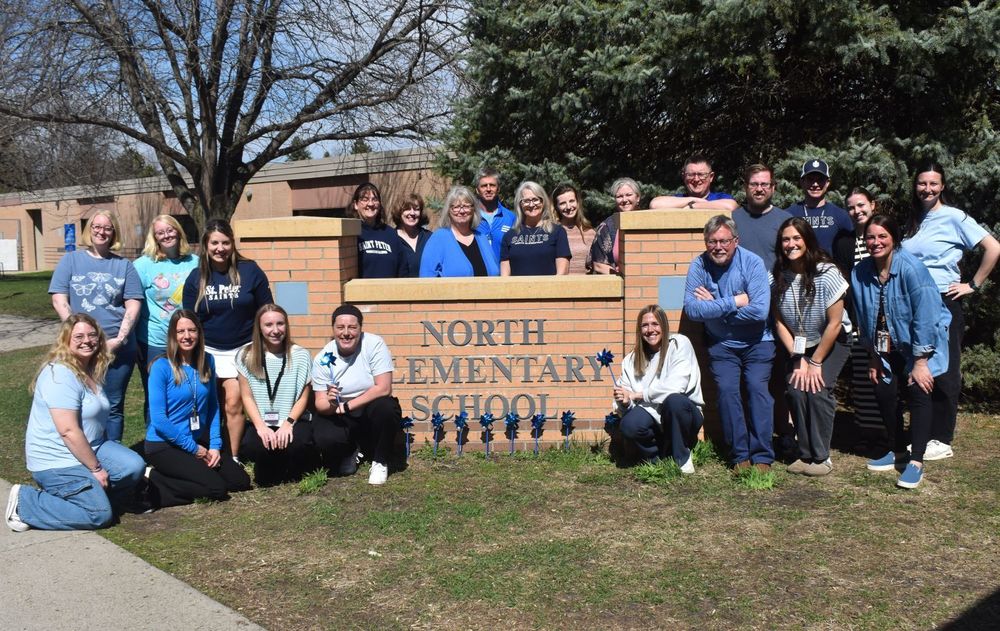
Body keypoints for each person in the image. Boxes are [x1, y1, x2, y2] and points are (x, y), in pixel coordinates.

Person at [6, 314, 146, 532]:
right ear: (66, 340)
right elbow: (68, 430)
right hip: (56, 459)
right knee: (98, 515)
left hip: (92, 447)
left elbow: (96, 419)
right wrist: (96, 468)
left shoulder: (90, 369)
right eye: (78, 336)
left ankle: (92, 496)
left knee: (133, 467)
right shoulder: (60, 374)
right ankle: (26, 503)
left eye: (92, 335)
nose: (87, 340)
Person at [900, 162, 1000, 459]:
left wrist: (973, 284)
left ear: (942, 186)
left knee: (945, 367)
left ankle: (942, 439)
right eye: (922, 183)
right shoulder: (913, 219)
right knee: (918, 364)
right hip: (913, 303)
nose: (927, 189)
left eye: (933, 183)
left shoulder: (954, 217)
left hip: (943, 300)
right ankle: (923, 432)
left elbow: (993, 247)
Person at [852, 215, 951, 489]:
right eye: (870, 237)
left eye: (882, 236)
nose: (876, 242)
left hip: (919, 344)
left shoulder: (911, 268)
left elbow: (927, 315)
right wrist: (873, 355)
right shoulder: (860, 272)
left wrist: (920, 362)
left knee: (919, 392)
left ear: (894, 238)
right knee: (884, 391)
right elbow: (863, 316)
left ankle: (916, 461)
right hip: (885, 346)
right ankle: (896, 450)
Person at [683, 215, 775, 471]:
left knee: (758, 391)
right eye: (712, 241)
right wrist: (733, 302)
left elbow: (759, 312)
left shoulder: (753, 263)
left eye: (724, 241)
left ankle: (763, 456)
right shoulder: (699, 266)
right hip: (722, 345)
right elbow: (692, 310)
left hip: (759, 342)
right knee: (727, 393)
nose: (718, 247)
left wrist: (713, 306)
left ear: (736, 240)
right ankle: (740, 455)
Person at [183, 219, 273, 463]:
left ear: (232, 243)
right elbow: (189, 320)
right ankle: (204, 447)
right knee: (205, 401)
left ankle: (233, 456)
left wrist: (265, 343)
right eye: (214, 243)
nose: (220, 248)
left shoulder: (250, 270)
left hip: (244, 348)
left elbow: (267, 309)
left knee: (233, 400)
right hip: (209, 349)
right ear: (206, 245)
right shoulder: (196, 278)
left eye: (225, 242)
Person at [49, 210, 143, 442]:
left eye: (107, 228)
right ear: (89, 230)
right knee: (77, 404)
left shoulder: (124, 266)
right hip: (78, 349)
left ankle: (114, 459)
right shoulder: (70, 260)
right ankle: (84, 455)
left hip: (117, 349)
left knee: (112, 405)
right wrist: (78, 335)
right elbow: (59, 298)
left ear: (114, 233)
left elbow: (133, 305)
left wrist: (119, 340)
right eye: (96, 227)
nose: (101, 231)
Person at [144, 310, 251, 507]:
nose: (187, 336)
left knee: (240, 482)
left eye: (192, 330)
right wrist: (195, 450)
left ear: (199, 333)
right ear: (173, 336)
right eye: (181, 331)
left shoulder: (207, 361)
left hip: (196, 440)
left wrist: (215, 446)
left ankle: (191, 474)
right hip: (164, 444)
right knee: (216, 489)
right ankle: (155, 479)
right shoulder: (161, 366)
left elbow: (212, 407)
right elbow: (159, 420)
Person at [771, 218, 850, 476]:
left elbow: (835, 323)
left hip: (832, 340)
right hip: (799, 345)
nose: (791, 244)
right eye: (786, 239)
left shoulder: (827, 272)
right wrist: (797, 357)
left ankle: (822, 457)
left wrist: (815, 362)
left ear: (807, 240)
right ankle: (804, 454)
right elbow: (779, 322)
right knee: (795, 390)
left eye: (796, 238)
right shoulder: (778, 275)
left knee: (816, 389)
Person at [311, 304, 402, 486]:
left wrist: (347, 406)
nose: (346, 333)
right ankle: (350, 450)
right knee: (325, 437)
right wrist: (330, 402)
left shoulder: (374, 344)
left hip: (368, 407)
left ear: (360, 328)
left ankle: (379, 460)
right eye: (340, 327)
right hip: (339, 411)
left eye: (352, 327)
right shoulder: (323, 358)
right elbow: (320, 403)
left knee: (387, 408)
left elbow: (383, 388)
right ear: (333, 329)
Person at [613, 305, 704, 472]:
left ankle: (682, 458)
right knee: (629, 424)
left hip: (683, 411)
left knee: (674, 401)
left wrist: (637, 394)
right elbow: (625, 397)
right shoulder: (630, 360)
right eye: (645, 325)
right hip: (653, 415)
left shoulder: (679, 344)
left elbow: (677, 387)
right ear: (639, 330)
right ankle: (658, 459)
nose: (650, 330)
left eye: (655, 324)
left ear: (664, 325)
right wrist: (625, 402)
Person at [236, 304, 314, 485]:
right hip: (262, 421)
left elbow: (303, 396)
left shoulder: (301, 355)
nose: (275, 330)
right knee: (252, 447)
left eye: (280, 324)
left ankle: (291, 465)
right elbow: (246, 396)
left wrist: (288, 423)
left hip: (292, 420)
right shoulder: (245, 355)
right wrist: (260, 427)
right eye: (269, 325)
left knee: (298, 444)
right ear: (259, 328)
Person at [133, 214, 198, 425]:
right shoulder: (143, 265)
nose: (166, 235)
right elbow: (132, 301)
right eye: (160, 232)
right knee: (156, 396)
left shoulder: (195, 262)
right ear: (154, 237)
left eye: (170, 230)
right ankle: (157, 444)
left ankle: (189, 437)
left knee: (188, 392)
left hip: (188, 341)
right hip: (155, 342)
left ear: (178, 232)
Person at [833, 187, 882, 432]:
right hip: (857, 318)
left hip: (883, 318)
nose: (857, 211)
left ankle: (887, 432)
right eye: (851, 207)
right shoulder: (844, 242)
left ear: (872, 205)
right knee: (862, 377)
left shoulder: (884, 236)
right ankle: (867, 431)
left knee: (883, 374)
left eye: (861, 205)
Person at [419, 186, 500, 277]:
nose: (462, 211)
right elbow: (426, 277)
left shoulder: (481, 237)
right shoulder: (439, 238)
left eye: (466, 206)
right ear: (448, 211)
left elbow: (495, 272)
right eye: (456, 207)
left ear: (473, 210)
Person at [500, 181, 571, 276]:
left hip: (549, 289)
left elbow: (562, 273)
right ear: (520, 204)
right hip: (518, 290)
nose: (531, 204)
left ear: (543, 201)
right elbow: (505, 277)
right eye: (526, 201)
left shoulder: (557, 232)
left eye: (535, 199)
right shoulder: (509, 236)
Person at [731, 164, 791, 272]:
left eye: (764, 184)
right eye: (754, 184)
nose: (759, 189)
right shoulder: (732, 219)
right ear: (745, 187)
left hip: (776, 287)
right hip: (740, 288)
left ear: (772, 188)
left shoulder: (786, 220)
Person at [785, 159, 853, 255]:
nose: (815, 184)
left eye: (820, 180)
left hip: (830, 268)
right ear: (802, 182)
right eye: (810, 179)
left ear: (828, 182)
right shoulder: (788, 214)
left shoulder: (841, 215)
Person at [351, 182, 409, 278]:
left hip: (390, 291)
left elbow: (403, 270)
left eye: (375, 199)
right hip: (361, 292)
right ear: (356, 204)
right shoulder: (351, 234)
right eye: (365, 199)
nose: (370, 204)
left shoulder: (391, 234)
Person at [649, 154, 739, 211]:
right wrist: (694, 200)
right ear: (684, 176)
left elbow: (731, 206)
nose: (696, 179)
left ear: (711, 177)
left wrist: (693, 206)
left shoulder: (720, 198)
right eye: (691, 174)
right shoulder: (680, 199)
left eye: (701, 174)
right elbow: (655, 204)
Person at [590, 178, 641, 275]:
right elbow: (598, 264)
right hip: (618, 283)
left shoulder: (648, 221)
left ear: (637, 197)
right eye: (619, 196)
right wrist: (622, 279)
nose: (624, 200)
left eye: (629, 195)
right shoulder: (608, 226)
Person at [551, 183, 596, 274]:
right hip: (560, 286)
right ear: (556, 207)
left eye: (571, 201)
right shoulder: (552, 233)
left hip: (586, 286)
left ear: (578, 202)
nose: (568, 207)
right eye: (563, 203)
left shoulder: (590, 233)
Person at [474, 167, 516, 261]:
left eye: (492, 185)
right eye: (484, 186)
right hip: (477, 275)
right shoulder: (470, 217)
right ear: (477, 190)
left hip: (504, 274)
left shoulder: (510, 218)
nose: (488, 189)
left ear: (498, 189)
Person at [392, 193, 432, 278]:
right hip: (400, 289)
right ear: (399, 211)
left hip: (427, 289)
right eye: (407, 209)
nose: (412, 213)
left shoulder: (429, 238)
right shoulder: (391, 238)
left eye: (416, 209)